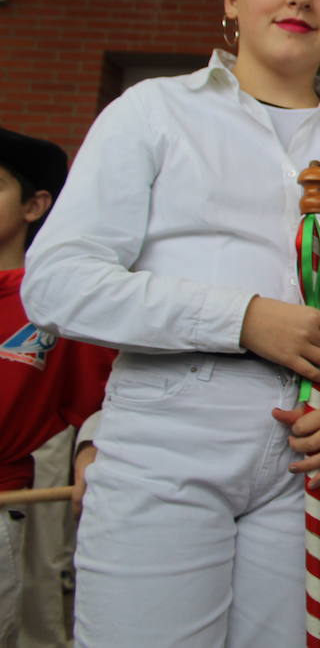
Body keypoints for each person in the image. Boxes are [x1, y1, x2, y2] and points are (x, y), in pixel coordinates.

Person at [21, 0, 320, 647]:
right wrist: (243, 318)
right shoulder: (153, 112)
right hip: (169, 431)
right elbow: (57, 282)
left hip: (319, 445)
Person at [0, 127, 114, 648]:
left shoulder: (54, 301)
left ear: (34, 205)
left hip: (11, 501)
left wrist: (91, 447)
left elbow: (105, 397)